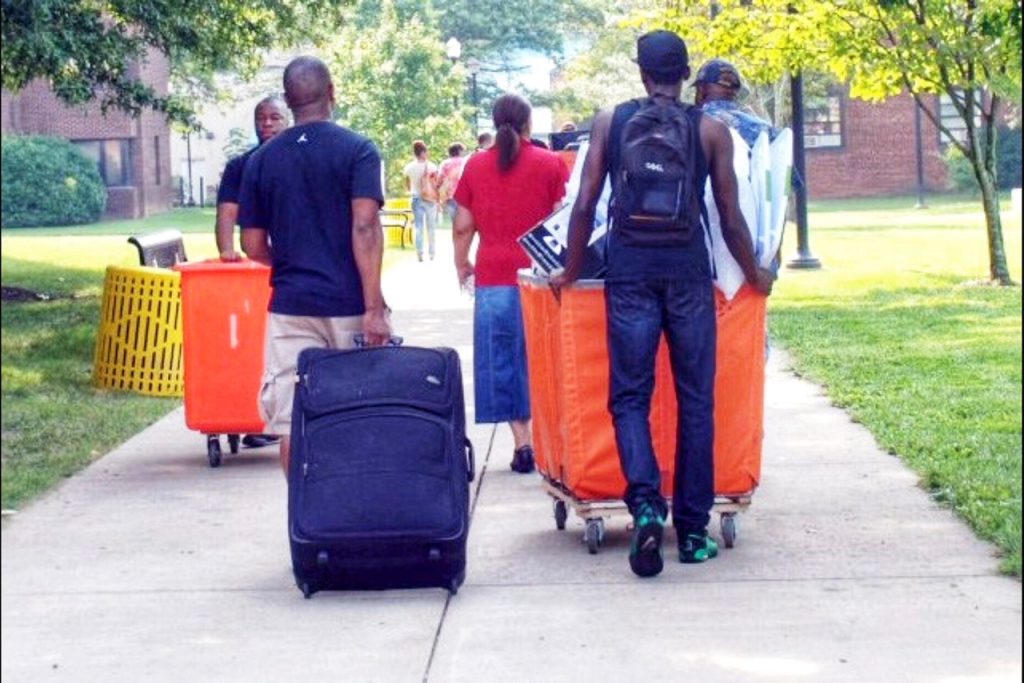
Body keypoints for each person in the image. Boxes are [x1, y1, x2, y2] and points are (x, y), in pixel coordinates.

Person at [551, 30, 774, 578]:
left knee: (630, 397)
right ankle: (694, 532)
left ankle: (647, 504)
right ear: (685, 73)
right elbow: (729, 215)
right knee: (696, 400)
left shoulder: (611, 122)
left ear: (641, 70)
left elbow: (584, 203)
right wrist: (756, 273)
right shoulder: (711, 130)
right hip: (688, 274)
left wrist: (571, 269)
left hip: (630, 272)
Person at [238, 56, 391, 477]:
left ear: (288, 101)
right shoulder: (359, 150)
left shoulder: (262, 161)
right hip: (350, 304)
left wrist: (288, 262)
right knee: (356, 412)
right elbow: (365, 226)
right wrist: (374, 308)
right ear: (332, 92)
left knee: (291, 421)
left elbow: (251, 244)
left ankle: (305, 517)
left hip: (290, 305)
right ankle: (351, 515)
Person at [453, 93, 569, 474]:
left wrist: (462, 265)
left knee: (503, 361)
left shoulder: (475, 166)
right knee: (543, 358)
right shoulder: (551, 164)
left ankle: (522, 442)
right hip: (540, 277)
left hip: (494, 275)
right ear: (528, 124)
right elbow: (561, 220)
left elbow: (463, 226)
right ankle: (547, 443)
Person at [213, 95, 289, 450]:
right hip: (259, 269)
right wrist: (227, 250)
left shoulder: (298, 158)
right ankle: (255, 416)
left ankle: (275, 422)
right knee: (252, 345)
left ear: (288, 119)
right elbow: (228, 212)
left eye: (275, 118)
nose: (267, 125)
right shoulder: (241, 165)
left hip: (292, 267)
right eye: (262, 119)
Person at [403, 140, 439, 262]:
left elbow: (407, 184)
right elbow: (436, 184)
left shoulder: (409, 167)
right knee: (431, 227)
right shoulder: (432, 166)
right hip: (430, 199)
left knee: (418, 227)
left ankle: (419, 253)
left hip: (416, 198)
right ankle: (432, 253)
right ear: (423, 152)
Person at [437, 142, 466, 227]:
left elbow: (440, 179)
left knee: (454, 221)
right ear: (459, 151)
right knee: (464, 221)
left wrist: (438, 191)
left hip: (450, 195)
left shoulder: (445, 163)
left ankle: (456, 237)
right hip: (464, 195)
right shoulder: (465, 162)